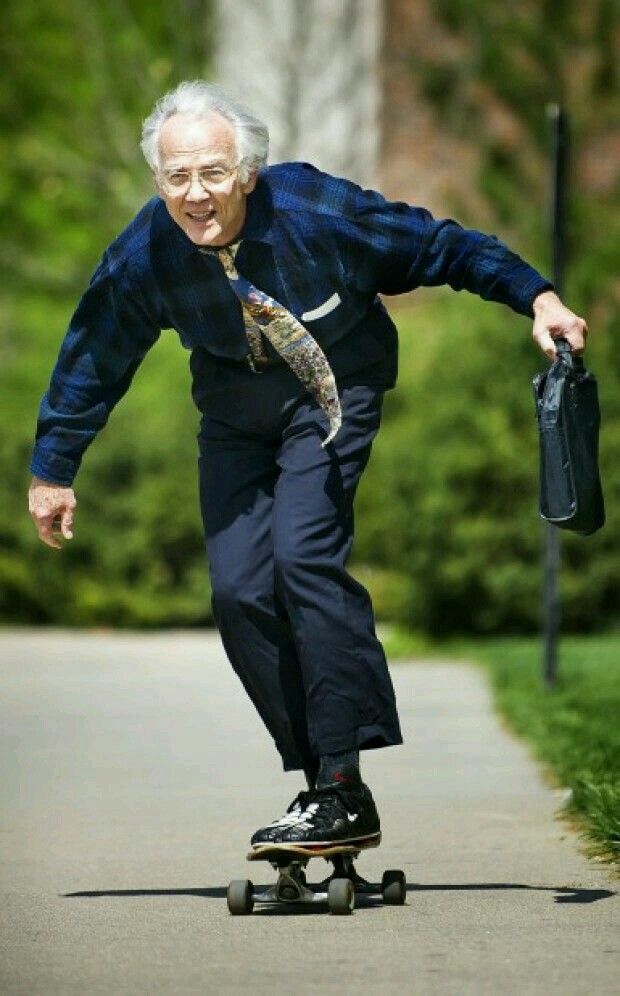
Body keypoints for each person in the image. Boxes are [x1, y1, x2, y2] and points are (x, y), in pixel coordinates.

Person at [28, 81, 587, 851]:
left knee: (303, 557)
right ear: (159, 182)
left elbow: (440, 245)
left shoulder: (319, 213)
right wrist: (54, 467)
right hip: (233, 413)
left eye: (213, 173)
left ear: (248, 171)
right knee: (238, 590)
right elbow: (95, 354)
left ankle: (339, 783)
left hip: (335, 389)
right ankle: (324, 783)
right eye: (177, 177)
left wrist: (538, 298)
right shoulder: (146, 251)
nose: (196, 194)